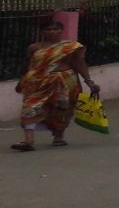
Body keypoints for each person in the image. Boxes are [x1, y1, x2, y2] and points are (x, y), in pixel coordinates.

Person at [13, 18, 99, 152]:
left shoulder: (70, 47)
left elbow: (79, 64)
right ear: (42, 32)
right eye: (49, 29)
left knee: (61, 109)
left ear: (61, 31)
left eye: (56, 29)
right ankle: (28, 142)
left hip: (64, 81)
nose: (52, 32)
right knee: (29, 107)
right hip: (38, 82)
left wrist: (89, 81)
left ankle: (58, 136)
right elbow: (30, 65)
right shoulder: (34, 48)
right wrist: (22, 81)